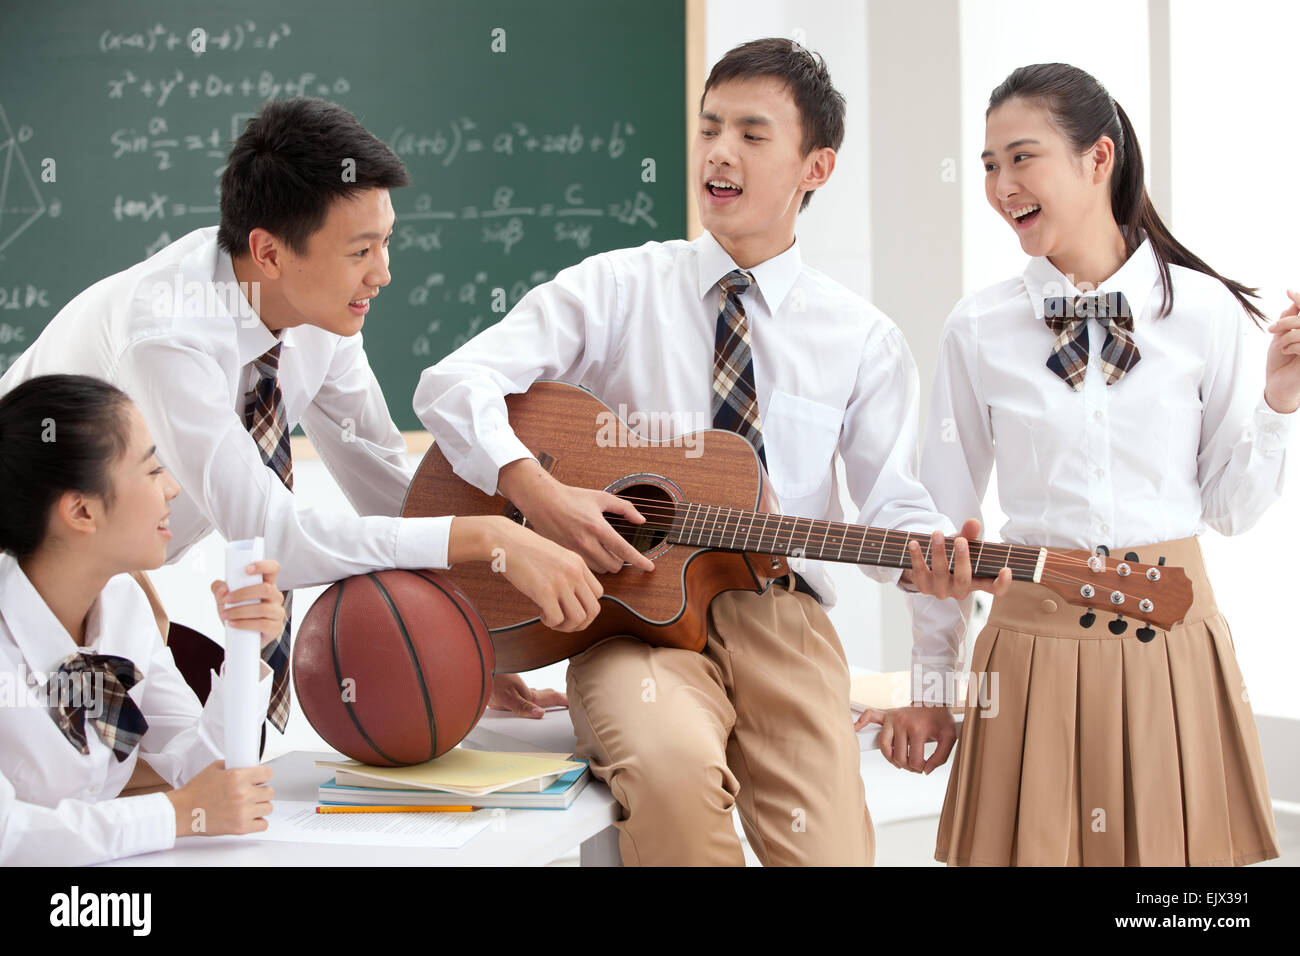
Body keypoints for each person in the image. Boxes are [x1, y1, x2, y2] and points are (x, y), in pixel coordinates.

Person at [414, 38, 1000, 866]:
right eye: (710, 128)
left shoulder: (863, 339)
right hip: (630, 619)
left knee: (829, 854)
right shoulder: (617, 287)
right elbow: (451, 384)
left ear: (816, 167)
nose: (720, 152)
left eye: (753, 135)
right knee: (669, 775)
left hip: (783, 614)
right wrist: (536, 492)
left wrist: (933, 609)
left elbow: (894, 507)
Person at [0, 97, 596, 733]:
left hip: (109, 578)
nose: (384, 274)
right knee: (87, 793)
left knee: (190, 773)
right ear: (269, 252)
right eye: (360, 251)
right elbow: (268, 533)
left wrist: (465, 639)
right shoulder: (170, 336)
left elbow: (389, 489)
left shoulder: (323, 320)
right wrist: (485, 538)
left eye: (387, 242)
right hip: (26, 573)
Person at [877, 62, 1297, 866]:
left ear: (1097, 157)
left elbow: (1231, 510)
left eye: (1021, 157)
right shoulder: (978, 328)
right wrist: (932, 691)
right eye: (989, 165)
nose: (1002, 186)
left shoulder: (1202, 311)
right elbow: (940, 526)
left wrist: (1280, 403)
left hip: (1172, 648)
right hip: (1029, 651)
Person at [0, 374, 287, 866]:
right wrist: (175, 815)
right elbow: (11, 836)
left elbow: (202, 769)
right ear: (81, 510)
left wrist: (245, 647)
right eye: (153, 470)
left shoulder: (123, 607)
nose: (172, 488)